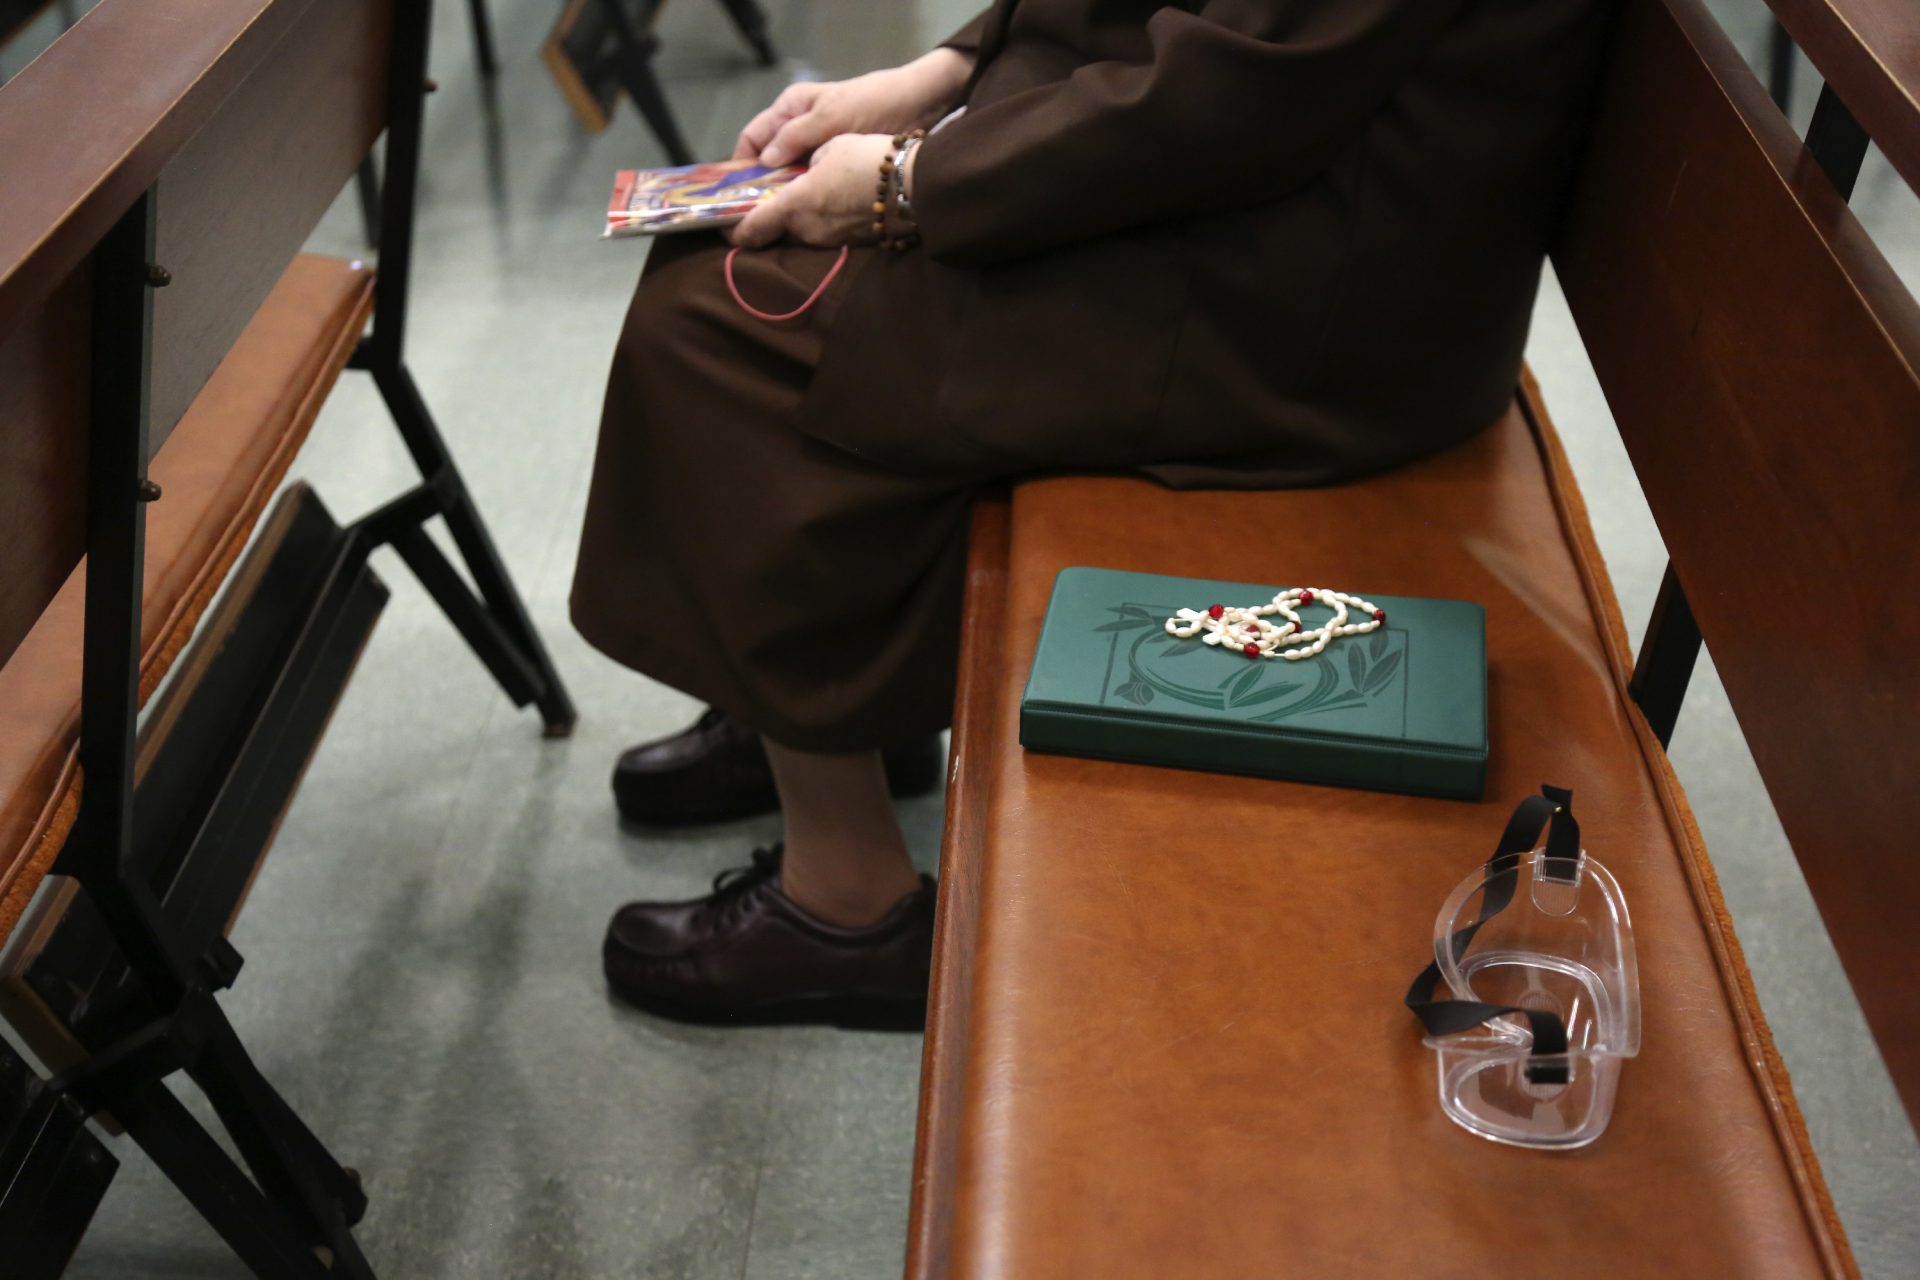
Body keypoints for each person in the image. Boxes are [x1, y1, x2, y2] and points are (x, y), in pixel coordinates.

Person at [574, 0, 1610, 1027]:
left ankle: (846, 900)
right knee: (733, 263)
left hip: (1312, 297)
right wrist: (941, 72)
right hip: (1285, 195)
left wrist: (911, 182)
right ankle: (824, 708)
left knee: (717, 330)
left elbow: (1234, 90)